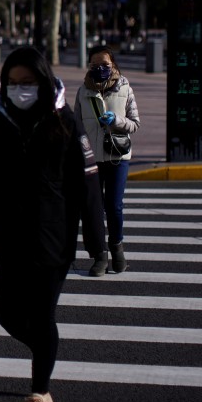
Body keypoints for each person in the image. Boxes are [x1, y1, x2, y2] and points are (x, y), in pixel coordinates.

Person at [0, 46, 101, 402]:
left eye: (27, 83)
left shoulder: (66, 122)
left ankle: (40, 392)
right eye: (12, 83)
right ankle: (47, 346)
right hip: (9, 237)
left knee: (42, 316)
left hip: (53, 240)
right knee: (6, 314)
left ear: (42, 82)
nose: (19, 89)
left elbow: (87, 187)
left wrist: (97, 243)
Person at [74, 45, 141, 274]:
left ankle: (117, 249)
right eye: (95, 65)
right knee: (93, 208)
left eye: (105, 65)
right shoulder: (84, 91)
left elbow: (135, 123)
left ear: (113, 65)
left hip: (117, 156)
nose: (100, 69)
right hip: (91, 159)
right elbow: (76, 126)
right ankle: (99, 256)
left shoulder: (125, 87)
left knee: (114, 205)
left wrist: (116, 121)